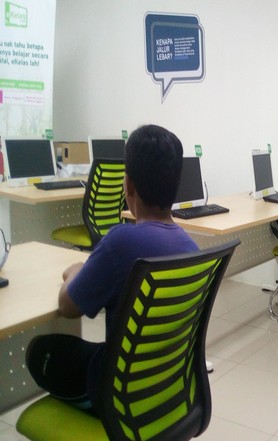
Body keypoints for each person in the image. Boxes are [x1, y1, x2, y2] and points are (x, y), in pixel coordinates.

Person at [26, 124, 199, 413]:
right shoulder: (189, 246)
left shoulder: (121, 241)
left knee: (39, 350)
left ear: (128, 185)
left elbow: (68, 307)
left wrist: (74, 271)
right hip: (162, 382)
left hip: (118, 391)